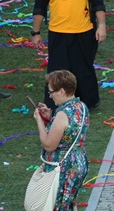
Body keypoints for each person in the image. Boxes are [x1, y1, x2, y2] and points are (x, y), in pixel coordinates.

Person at [32, 0, 106, 110]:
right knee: (56, 71)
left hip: (84, 30)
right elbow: (40, 6)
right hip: (57, 31)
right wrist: (36, 32)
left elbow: (97, 2)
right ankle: (55, 103)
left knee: (84, 69)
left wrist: (102, 26)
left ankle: (88, 102)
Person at [33, 70, 89, 211]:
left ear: (62, 91)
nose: (50, 96)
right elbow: (68, 132)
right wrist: (50, 118)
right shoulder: (81, 106)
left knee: (58, 206)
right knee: (69, 204)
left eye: (51, 92)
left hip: (63, 166)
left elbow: (49, 146)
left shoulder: (63, 113)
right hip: (78, 161)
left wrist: (39, 121)